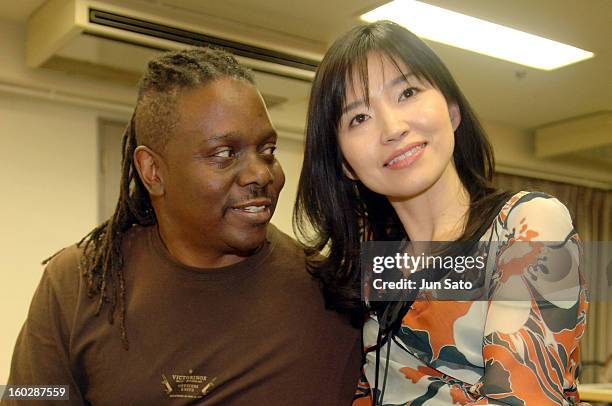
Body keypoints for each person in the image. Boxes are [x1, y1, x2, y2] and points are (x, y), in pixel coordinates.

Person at [4, 48, 361, 405]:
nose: (261, 174)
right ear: (153, 172)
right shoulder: (78, 282)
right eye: (225, 153)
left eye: (267, 150)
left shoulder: (331, 289)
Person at [294, 21, 588, 405]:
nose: (393, 128)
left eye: (408, 92)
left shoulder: (527, 224)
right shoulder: (374, 266)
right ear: (344, 163)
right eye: (359, 118)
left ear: (452, 111)